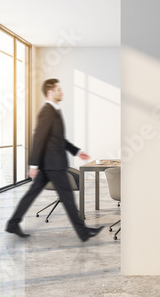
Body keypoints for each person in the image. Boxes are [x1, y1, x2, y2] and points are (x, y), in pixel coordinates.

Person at [6, 78, 103, 242]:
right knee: (68, 198)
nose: (61, 92)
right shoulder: (47, 112)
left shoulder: (55, 111)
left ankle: (13, 223)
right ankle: (83, 232)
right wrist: (33, 165)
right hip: (53, 164)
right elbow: (38, 138)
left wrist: (77, 151)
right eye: (58, 89)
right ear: (50, 92)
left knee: (32, 194)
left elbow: (59, 140)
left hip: (49, 164)